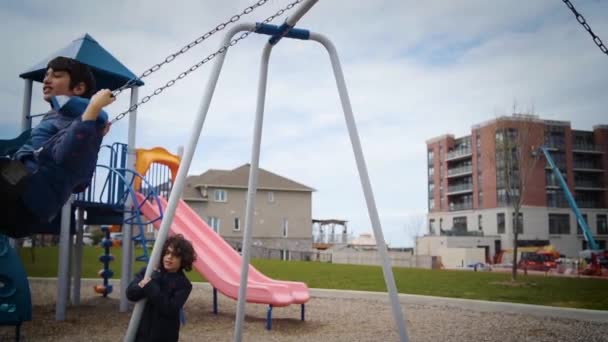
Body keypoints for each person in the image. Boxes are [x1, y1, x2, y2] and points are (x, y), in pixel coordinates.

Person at [0, 56, 114, 238]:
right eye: (47, 75)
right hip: (18, 192)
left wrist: (92, 110)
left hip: (25, 200)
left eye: (57, 75)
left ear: (78, 88)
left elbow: (66, 156)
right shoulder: (59, 116)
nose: (46, 79)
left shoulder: (77, 119)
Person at [127, 234, 196, 342]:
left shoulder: (183, 284)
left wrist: (149, 285)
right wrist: (146, 283)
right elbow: (131, 293)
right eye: (167, 253)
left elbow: (169, 308)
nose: (169, 257)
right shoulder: (148, 271)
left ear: (183, 260)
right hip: (141, 331)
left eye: (175, 255)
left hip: (164, 335)